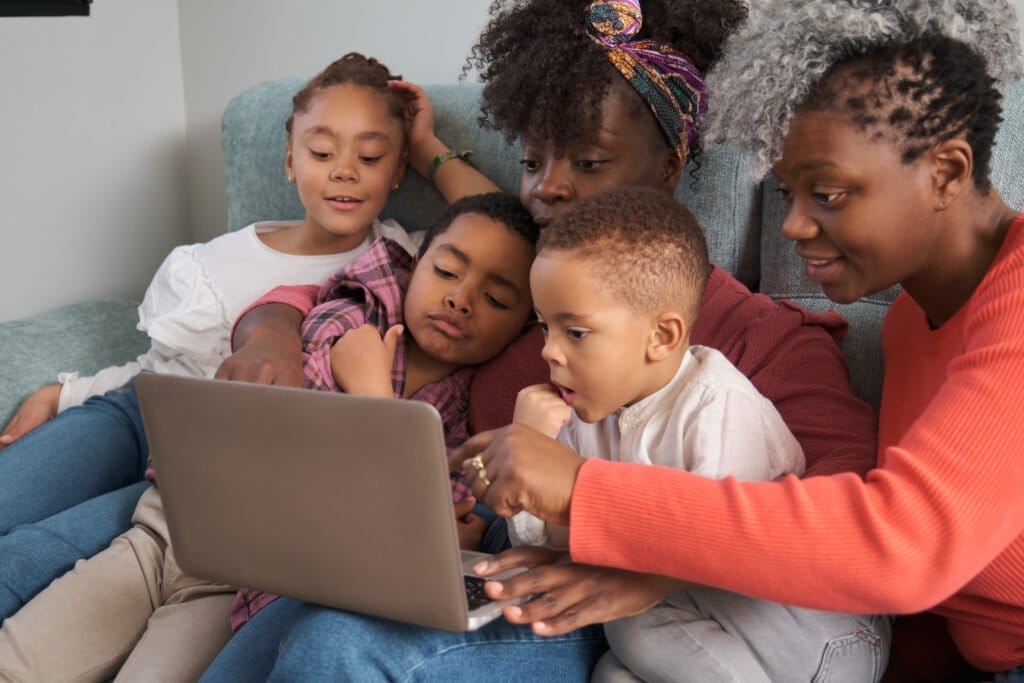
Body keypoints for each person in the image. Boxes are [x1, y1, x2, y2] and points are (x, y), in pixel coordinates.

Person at [202, 1, 881, 679]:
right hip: (468, 545)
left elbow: (845, 510)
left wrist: (653, 566)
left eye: (588, 161)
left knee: (337, 641)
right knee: (308, 596)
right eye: (531, 161)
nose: (547, 187)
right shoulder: (518, 285)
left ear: (669, 167)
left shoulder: (759, 336)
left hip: (624, 597)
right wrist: (273, 331)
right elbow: (384, 279)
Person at [454, 0, 1024, 679]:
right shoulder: (914, 317)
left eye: (828, 194)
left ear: (948, 172)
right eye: (787, 194)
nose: (793, 226)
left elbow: (901, 544)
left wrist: (585, 490)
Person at [0, 52, 418, 679]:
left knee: (37, 556)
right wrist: (65, 393)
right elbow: (156, 369)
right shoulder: (212, 263)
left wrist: (435, 148)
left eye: (371, 155)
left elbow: (507, 236)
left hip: (206, 479)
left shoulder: (398, 259)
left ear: (398, 169)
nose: (344, 171)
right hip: (139, 412)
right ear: (290, 160)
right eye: (322, 151)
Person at [503, 185, 890, 682]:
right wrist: (529, 453)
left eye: (575, 333)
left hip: (823, 633)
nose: (549, 352)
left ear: (662, 336)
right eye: (543, 328)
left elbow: (723, 553)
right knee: (611, 674)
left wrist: (580, 525)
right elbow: (554, 541)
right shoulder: (581, 411)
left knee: (629, 624)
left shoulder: (715, 403)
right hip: (711, 629)